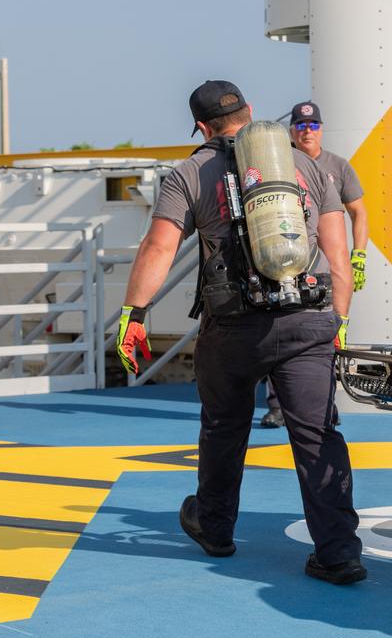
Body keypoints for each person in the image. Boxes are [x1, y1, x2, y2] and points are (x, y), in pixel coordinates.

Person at [117, 79, 365, 585]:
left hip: (232, 327)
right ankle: (339, 553)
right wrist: (337, 321)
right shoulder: (309, 165)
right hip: (310, 319)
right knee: (318, 433)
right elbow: (338, 255)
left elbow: (158, 249)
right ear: (250, 112)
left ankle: (215, 528)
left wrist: (134, 315)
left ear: (202, 127)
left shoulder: (188, 173)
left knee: (224, 428)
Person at [260, 100, 368, 428]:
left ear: (321, 130)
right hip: (286, 264)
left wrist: (358, 256)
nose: (307, 131)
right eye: (301, 125)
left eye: (313, 125)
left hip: (326, 268)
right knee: (278, 332)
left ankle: (324, 406)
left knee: (329, 336)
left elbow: (359, 211)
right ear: (292, 130)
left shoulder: (337, 166)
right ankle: (278, 405)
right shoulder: (277, 163)